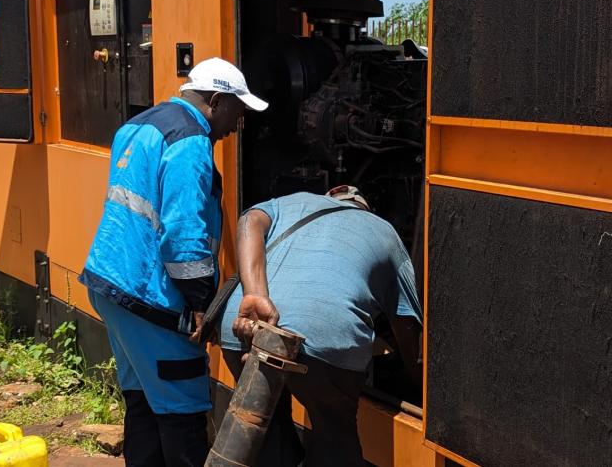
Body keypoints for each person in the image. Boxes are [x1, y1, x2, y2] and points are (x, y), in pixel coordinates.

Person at [80, 57, 268, 467]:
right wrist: (202, 303)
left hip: (112, 285)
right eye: (237, 112)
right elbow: (184, 234)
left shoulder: (140, 124)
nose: (237, 125)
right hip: (153, 301)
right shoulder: (190, 141)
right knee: (182, 411)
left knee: (144, 403)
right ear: (216, 101)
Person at [219, 186, 423, 467]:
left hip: (242, 327)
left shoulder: (292, 201)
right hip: (321, 340)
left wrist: (255, 294)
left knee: (268, 436)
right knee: (332, 433)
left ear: (329, 196)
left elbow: (249, 220)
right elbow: (407, 324)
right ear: (364, 209)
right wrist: (418, 378)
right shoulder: (385, 231)